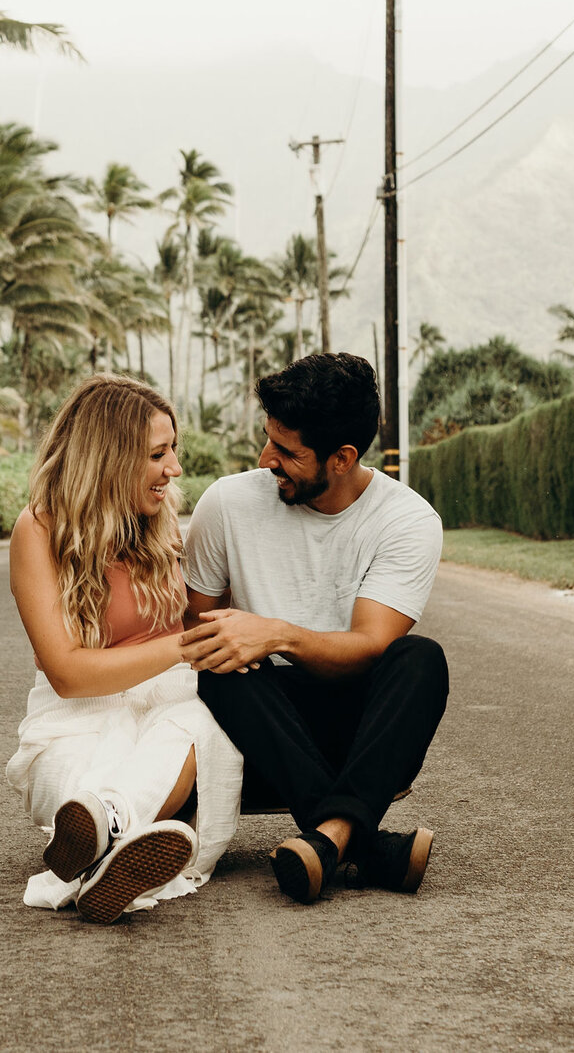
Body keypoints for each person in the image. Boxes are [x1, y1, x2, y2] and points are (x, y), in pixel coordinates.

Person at [181, 352, 450, 904]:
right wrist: (249, 642)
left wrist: (277, 634)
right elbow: (193, 633)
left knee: (420, 658)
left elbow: (372, 645)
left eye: (287, 451)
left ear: (342, 457)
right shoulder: (227, 503)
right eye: (268, 440)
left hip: (360, 740)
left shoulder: (407, 520)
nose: (266, 458)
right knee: (218, 665)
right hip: (254, 732)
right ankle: (354, 841)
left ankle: (328, 839)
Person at [5, 375, 243, 924]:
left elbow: (208, 617)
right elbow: (67, 674)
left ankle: (108, 835)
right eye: (158, 455)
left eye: (173, 452)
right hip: (75, 715)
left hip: (169, 707)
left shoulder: (162, 527)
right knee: (82, 792)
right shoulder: (39, 530)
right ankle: (108, 844)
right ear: (109, 458)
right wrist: (183, 646)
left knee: (195, 722)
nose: (174, 469)